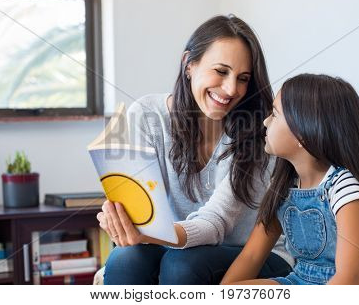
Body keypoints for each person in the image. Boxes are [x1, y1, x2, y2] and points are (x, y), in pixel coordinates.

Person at [97, 15, 293, 285]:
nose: (230, 89)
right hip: (177, 242)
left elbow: (215, 223)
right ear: (189, 64)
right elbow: (140, 206)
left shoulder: (258, 130)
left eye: (243, 78)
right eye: (221, 71)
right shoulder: (146, 115)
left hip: (252, 252)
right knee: (124, 259)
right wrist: (122, 221)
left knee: (182, 266)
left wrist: (151, 233)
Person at [221, 73, 359, 285]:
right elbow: (251, 256)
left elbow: (350, 278)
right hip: (302, 279)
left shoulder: (345, 188)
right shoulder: (283, 187)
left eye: (275, 114)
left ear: (303, 132)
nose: (265, 121)